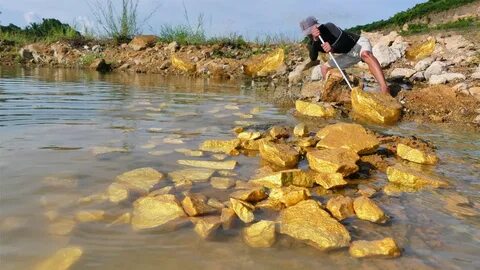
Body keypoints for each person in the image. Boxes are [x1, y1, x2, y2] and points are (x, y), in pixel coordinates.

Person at [300, 16, 390, 95]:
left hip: (357, 43)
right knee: (325, 68)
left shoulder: (329, 26)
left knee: (365, 54)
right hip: (348, 54)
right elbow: (313, 57)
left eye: (312, 29)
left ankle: (384, 88)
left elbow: (345, 40)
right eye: (308, 32)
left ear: (317, 26)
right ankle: (341, 91)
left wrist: (332, 48)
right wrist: (315, 40)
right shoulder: (312, 43)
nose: (310, 33)